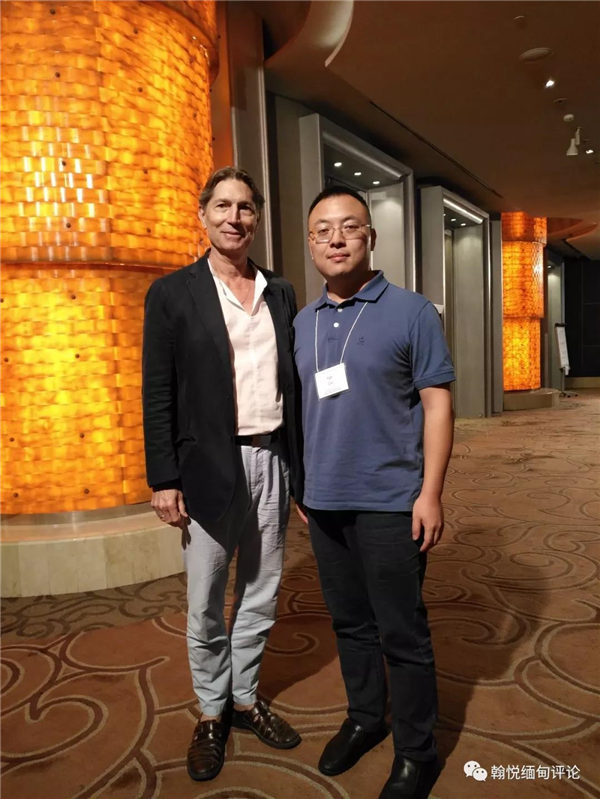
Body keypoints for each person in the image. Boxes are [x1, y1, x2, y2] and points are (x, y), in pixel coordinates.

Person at [293, 186, 455, 799]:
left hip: (392, 499)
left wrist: (430, 493)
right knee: (350, 623)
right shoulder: (302, 321)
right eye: (322, 230)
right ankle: (365, 717)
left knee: (401, 631)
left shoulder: (412, 311)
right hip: (323, 500)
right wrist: (302, 485)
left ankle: (418, 751)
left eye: (349, 227)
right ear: (310, 242)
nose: (335, 239)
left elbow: (437, 406)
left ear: (371, 237)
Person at [142, 167, 303, 783]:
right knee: (206, 599)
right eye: (224, 206)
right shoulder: (172, 293)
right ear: (203, 214)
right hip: (208, 465)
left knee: (261, 590)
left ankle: (244, 698)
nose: (235, 218)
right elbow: (158, 391)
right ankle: (211, 711)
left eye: (246, 208)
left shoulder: (279, 291)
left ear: (256, 218)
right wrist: (164, 477)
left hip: (272, 460)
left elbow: (291, 385)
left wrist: (300, 470)